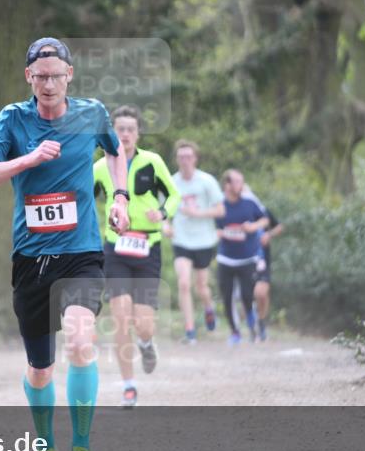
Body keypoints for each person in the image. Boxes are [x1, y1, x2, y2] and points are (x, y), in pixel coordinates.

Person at [0, 37, 130, 451]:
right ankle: (44, 447)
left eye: (56, 75)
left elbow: (114, 150)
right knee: (40, 368)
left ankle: (82, 448)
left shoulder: (91, 113)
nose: (48, 84)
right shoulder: (12, 120)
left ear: (69, 75)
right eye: (40, 76)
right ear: (29, 78)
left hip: (81, 253)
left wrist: (119, 197)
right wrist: (28, 159)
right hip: (31, 260)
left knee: (81, 340)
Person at [93, 105, 180, 408]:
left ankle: (145, 342)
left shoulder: (152, 162)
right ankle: (129, 385)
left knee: (143, 323)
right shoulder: (100, 167)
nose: (125, 134)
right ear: (112, 133)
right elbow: (83, 200)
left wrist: (164, 211)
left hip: (148, 247)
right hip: (115, 248)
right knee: (120, 317)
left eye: (130, 129)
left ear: (138, 133)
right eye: (120, 129)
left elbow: (174, 194)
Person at [165, 140, 224, 345]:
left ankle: (209, 308)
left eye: (189, 156)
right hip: (181, 239)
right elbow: (163, 209)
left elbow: (220, 210)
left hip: (204, 240)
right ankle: (190, 331)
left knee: (201, 287)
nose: (185, 160)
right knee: (183, 283)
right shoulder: (171, 181)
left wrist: (198, 213)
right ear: (177, 159)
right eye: (181, 157)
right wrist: (166, 225)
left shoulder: (206, 181)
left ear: (195, 158)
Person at [214, 169, 269, 345]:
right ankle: (235, 332)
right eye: (237, 182)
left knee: (247, 295)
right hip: (225, 258)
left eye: (241, 181)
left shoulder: (249, 201)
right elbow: (210, 225)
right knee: (227, 296)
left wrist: (253, 227)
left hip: (248, 257)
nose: (241, 185)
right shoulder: (218, 203)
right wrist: (217, 233)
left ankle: (253, 326)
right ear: (227, 185)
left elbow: (265, 220)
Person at [241, 184, 283, 341]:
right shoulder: (234, 213)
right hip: (242, 260)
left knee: (261, 293)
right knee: (246, 295)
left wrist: (269, 235)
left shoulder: (263, 211)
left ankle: (262, 321)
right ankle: (251, 325)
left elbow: (279, 226)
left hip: (262, 259)